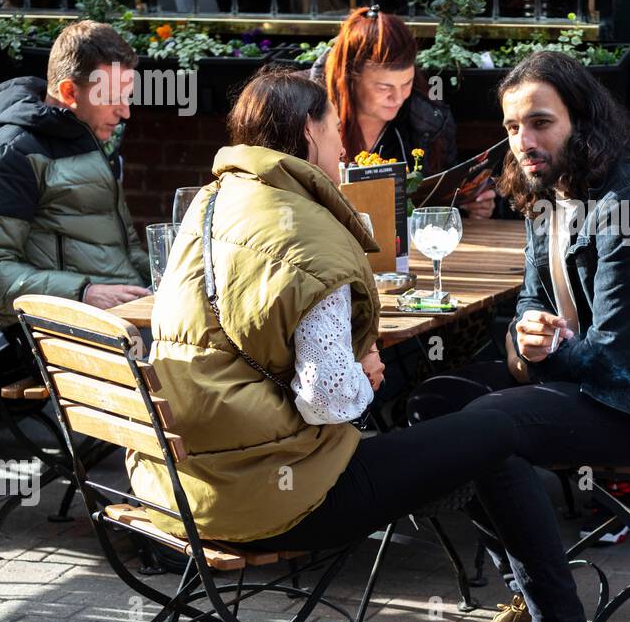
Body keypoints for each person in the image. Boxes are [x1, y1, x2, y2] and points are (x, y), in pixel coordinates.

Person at [406, 50, 630, 622]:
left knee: (489, 426)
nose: (523, 140)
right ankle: (533, 599)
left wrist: (533, 356)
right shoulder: (548, 193)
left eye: (540, 122)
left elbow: (617, 359)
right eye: (512, 127)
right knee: (436, 402)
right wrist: (523, 342)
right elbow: (527, 311)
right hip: (600, 384)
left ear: (583, 120)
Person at [127, 69, 522, 568]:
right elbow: (327, 399)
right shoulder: (312, 237)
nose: (343, 150)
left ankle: (539, 613)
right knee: (499, 428)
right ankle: (552, 620)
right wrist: (364, 374)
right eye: (335, 130)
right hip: (273, 498)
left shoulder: (208, 203)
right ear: (309, 130)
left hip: (175, 490)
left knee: (473, 433)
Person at [0, 20, 150, 324]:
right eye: (112, 98)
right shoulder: (8, 154)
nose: (125, 112)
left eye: (126, 97)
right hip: (75, 336)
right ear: (69, 91)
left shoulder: (83, 137)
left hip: (128, 320)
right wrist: (84, 293)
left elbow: (121, 251)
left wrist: (169, 275)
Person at [314, 5, 494, 218]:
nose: (398, 98)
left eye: (406, 83)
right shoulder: (305, 112)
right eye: (384, 87)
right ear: (350, 79)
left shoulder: (428, 121)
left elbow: (443, 196)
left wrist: (471, 204)